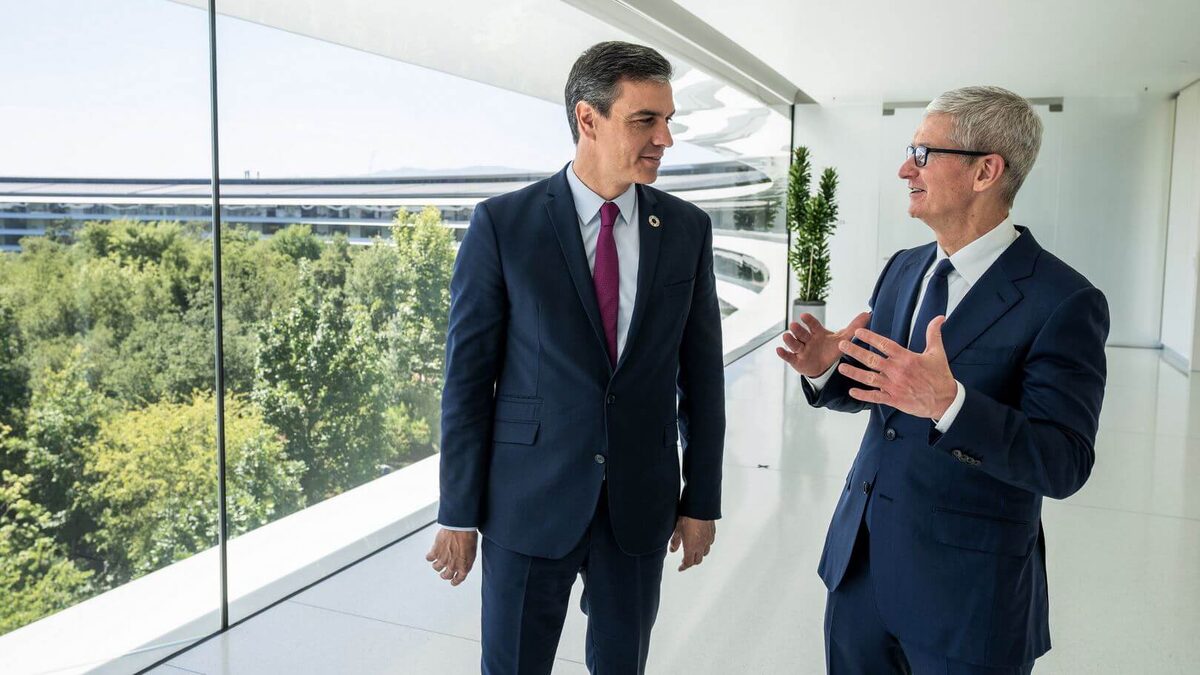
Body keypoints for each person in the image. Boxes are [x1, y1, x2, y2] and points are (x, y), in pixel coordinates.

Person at [777, 86, 1109, 674]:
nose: (906, 169)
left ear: (986, 171)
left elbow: (1064, 462)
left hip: (969, 599)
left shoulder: (1064, 299)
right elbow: (885, 392)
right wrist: (828, 368)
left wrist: (951, 405)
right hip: (860, 571)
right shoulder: (904, 267)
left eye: (923, 154)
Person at [426, 41, 726, 675]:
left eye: (668, 120)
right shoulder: (503, 226)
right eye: (645, 120)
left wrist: (701, 499)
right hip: (527, 500)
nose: (665, 138)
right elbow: (467, 383)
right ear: (588, 119)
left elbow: (702, 378)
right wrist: (457, 511)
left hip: (639, 502)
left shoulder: (687, 230)